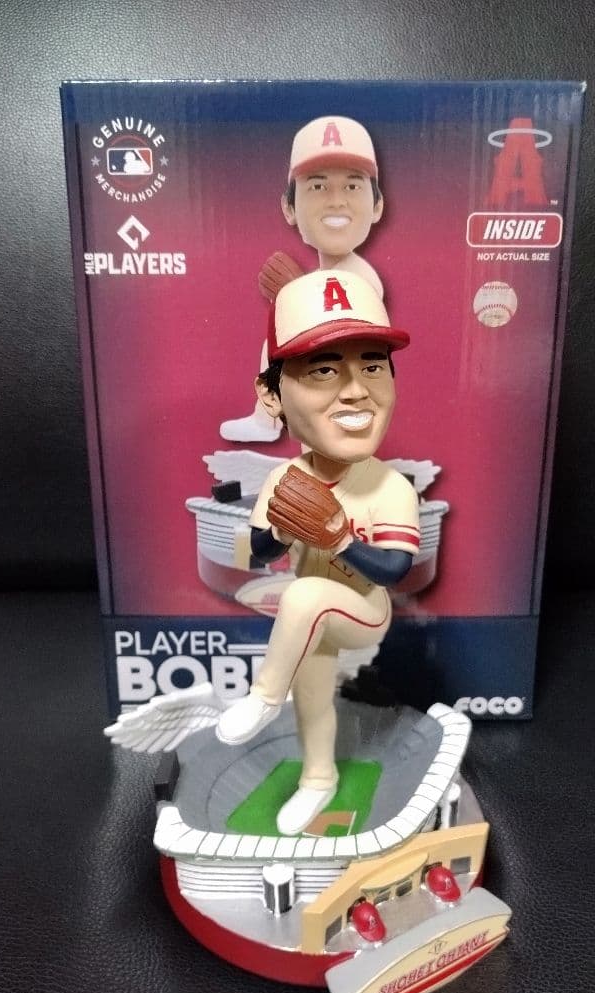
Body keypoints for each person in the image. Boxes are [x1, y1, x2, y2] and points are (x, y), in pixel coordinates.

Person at [215, 268, 419, 834]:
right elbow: (260, 553)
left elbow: (394, 569)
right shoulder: (285, 478)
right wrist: (283, 530)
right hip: (307, 626)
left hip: (364, 609)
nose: (355, 389)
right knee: (313, 700)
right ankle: (318, 779)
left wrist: (339, 538)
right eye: (324, 369)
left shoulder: (388, 485)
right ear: (272, 395)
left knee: (305, 594)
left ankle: (263, 697)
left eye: (372, 365)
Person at [220, 116, 386, 443]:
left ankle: (274, 422)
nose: (336, 200)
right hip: (323, 396)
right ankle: (266, 419)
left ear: (377, 206)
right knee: (277, 339)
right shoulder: (327, 274)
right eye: (317, 186)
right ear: (289, 207)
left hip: (349, 397)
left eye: (352, 186)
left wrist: (295, 292)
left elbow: (344, 333)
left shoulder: (362, 274)